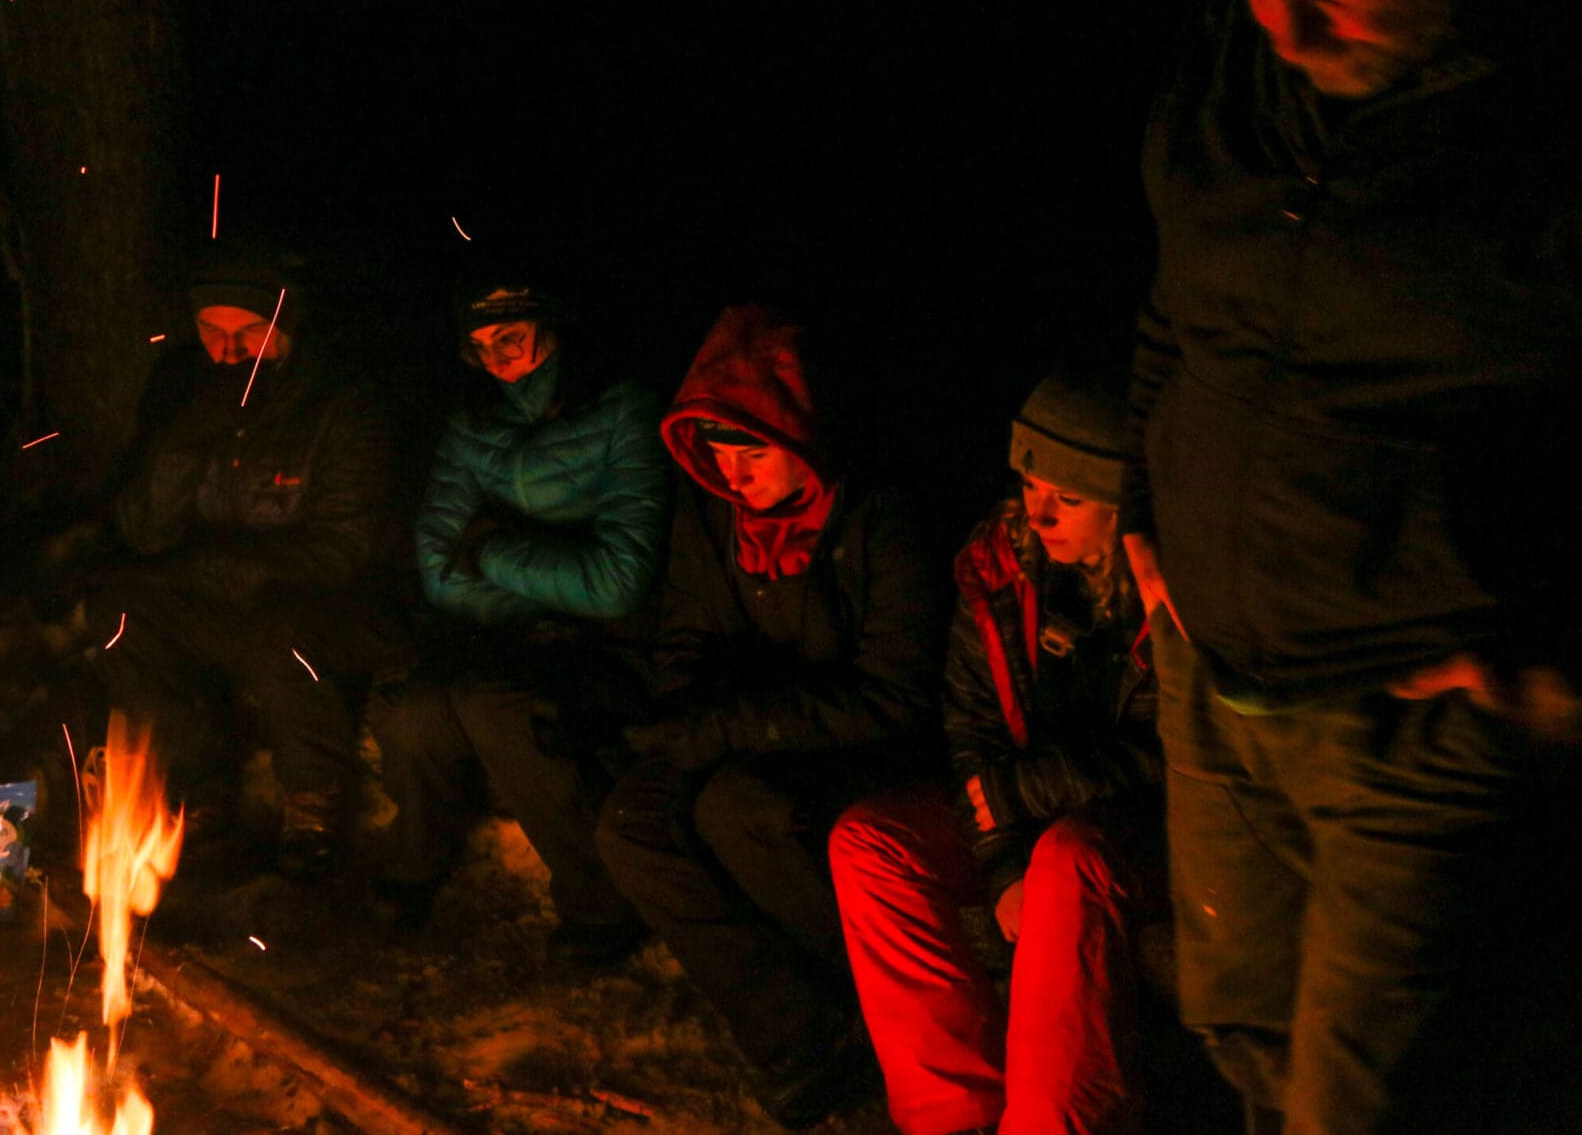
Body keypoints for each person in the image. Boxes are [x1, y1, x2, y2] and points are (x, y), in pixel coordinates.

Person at [1127, 0, 1582, 1131]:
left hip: (1411, 737)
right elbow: (1176, 305)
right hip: (1217, 692)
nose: (1290, 30)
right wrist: (1138, 498)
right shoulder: (1229, 87)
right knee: (1247, 1051)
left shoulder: (1561, 145)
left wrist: (1577, 668)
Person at [595, 303, 942, 1129]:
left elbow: (892, 697)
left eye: (750, 450)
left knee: (742, 812)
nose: (733, 472)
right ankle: (797, 1030)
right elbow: (688, 629)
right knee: (629, 826)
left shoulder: (879, 520)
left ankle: (869, 1000)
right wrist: (674, 716)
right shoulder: (718, 513)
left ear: (799, 434)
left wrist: (717, 730)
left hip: (853, 745)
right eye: (716, 450)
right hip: (746, 729)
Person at [829, 373, 1163, 1135]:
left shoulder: (1173, 584)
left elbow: (1183, 753)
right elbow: (971, 724)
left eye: (1069, 499)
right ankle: (951, 1116)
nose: (1037, 512)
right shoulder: (1005, 564)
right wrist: (1003, 858)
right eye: (1030, 484)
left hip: (1154, 832)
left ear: (1124, 503)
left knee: (1069, 860)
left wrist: (1030, 798)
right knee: (872, 843)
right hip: (1026, 815)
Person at [368, 272, 669, 963]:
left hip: (605, 646)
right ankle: (418, 861)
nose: (499, 360)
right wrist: (549, 582)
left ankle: (601, 900)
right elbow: (440, 565)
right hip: (504, 632)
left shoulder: (621, 412)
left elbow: (618, 583)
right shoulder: (474, 424)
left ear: (555, 325)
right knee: (415, 710)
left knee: (498, 705)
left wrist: (494, 549)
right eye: (481, 347)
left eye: (512, 338)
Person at [93, 247, 397, 878]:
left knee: (278, 635)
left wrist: (226, 568)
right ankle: (202, 791)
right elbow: (142, 532)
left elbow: (344, 549)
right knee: (121, 615)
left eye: (250, 332)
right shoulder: (187, 391)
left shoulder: (338, 407)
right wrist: (183, 441)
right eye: (212, 331)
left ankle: (314, 800)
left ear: (287, 327)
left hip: (316, 606)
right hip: (214, 596)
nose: (229, 351)